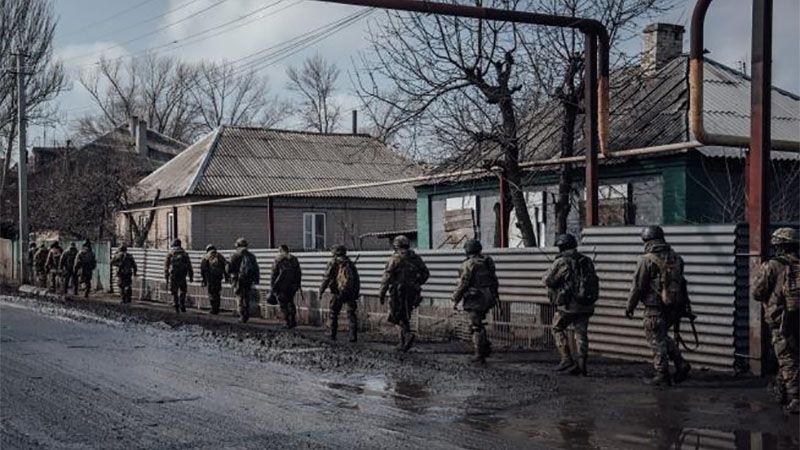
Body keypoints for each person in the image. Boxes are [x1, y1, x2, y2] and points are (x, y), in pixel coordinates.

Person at [625, 226, 691, 386]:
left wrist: (630, 306)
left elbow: (638, 286)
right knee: (661, 336)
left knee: (655, 339)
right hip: (673, 307)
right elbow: (682, 284)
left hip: (654, 307)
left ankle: (662, 373)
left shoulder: (646, 260)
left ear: (646, 240)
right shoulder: (676, 258)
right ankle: (681, 364)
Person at [752, 227, 799, 414]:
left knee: (788, 358)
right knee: (792, 357)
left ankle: (796, 398)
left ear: (778, 246)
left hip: (782, 320)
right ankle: (780, 388)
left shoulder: (772, 265)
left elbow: (757, 292)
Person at [543, 233, 599, 376]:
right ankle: (582, 365)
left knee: (557, 328)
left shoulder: (562, 261)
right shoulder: (586, 260)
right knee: (581, 333)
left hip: (569, 305)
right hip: (586, 303)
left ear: (561, 247)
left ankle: (566, 358)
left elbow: (548, 281)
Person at [451, 239, 498, 365]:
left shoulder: (469, 264)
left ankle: (479, 354)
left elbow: (463, 284)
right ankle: (486, 347)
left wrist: (455, 299)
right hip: (487, 297)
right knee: (480, 324)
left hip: (475, 299)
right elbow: (494, 280)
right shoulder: (487, 261)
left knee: (475, 326)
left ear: (467, 251)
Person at [379, 235, 429, 352]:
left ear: (396, 246)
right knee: (405, 315)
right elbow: (426, 273)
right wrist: (417, 283)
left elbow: (386, 277)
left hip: (398, 292)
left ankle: (407, 336)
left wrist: (382, 293)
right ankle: (402, 343)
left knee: (396, 315)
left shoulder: (395, 259)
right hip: (413, 292)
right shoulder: (415, 258)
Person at [319, 245, 360, 342]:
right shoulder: (349, 263)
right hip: (350, 292)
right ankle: (353, 336)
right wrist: (355, 293)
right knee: (351, 314)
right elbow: (356, 280)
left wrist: (321, 290)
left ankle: (332, 334)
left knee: (333, 313)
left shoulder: (333, 263)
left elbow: (327, 278)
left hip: (338, 292)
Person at [270, 244, 302, 328]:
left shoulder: (278, 260)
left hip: (281, 286)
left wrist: (272, 286)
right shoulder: (294, 259)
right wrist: (298, 284)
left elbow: (274, 274)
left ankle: (287, 322)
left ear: (281, 251)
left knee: (283, 304)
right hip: (292, 286)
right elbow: (298, 273)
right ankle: (293, 321)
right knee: (291, 302)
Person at [228, 238, 259, 322]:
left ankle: (242, 315)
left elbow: (229, 268)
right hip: (248, 280)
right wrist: (256, 279)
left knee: (240, 297)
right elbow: (256, 268)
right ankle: (247, 313)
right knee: (247, 297)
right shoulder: (251, 256)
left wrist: (229, 276)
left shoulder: (235, 255)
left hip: (238, 280)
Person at [164, 239, 193, 313]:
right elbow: (189, 265)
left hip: (173, 274)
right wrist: (191, 276)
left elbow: (166, 266)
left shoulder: (170, 253)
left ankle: (176, 304)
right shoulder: (184, 253)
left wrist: (166, 276)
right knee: (183, 290)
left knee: (174, 291)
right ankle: (182, 304)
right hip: (182, 274)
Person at [200, 244, 229, 315]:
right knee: (217, 292)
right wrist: (226, 277)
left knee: (211, 293)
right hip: (218, 277)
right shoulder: (219, 256)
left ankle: (213, 309)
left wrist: (204, 279)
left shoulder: (206, 256)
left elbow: (203, 268)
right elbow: (225, 266)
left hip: (210, 277)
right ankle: (217, 308)